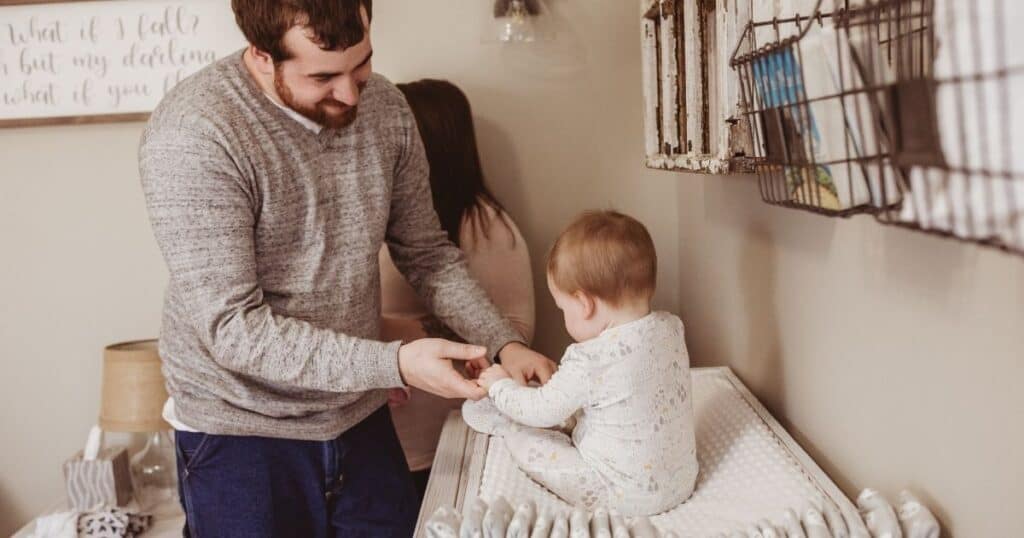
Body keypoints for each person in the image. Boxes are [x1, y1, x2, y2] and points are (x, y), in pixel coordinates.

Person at [137, 1, 554, 535]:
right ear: (262, 56)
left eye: (362, 65)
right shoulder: (196, 133)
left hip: (359, 420)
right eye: (323, 77)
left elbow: (427, 254)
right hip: (240, 434)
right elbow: (234, 330)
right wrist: (395, 364)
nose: (353, 95)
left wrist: (504, 344)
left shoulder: (386, 108)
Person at [475, 210, 699, 516]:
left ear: (584, 304)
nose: (563, 316)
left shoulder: (590, 358)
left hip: (622, 495)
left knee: (528, 440)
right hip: (680, 481)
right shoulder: (671, 327)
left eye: (563, 309)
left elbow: (539, 410)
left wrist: (499, 385)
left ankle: (506, 424)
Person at [379, 79, 536, 498]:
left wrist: (382, 330)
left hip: (445, 435)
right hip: (383, 434)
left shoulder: (485, 226)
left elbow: (514, 331)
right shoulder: (381, 215)